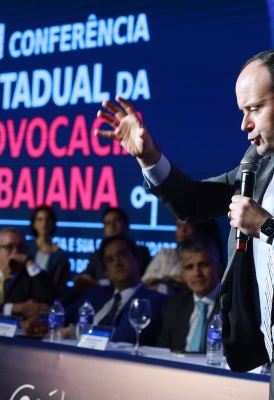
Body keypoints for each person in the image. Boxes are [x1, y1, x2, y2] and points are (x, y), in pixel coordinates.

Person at [94, 49, 274, 392]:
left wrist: (265, 226)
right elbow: (193, 202)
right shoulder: (257, 165)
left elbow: (265, 227)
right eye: (242, 111)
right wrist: (149, 156)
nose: (244, 124)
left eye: (254, 109)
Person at [64, 234, 165, 345]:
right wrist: (43, 324)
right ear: (106, 272)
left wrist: (75, 331)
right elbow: (61, 315)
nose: (117, 262)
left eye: (122, 255)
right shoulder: (96, 293)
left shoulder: (152, 300)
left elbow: (124, 337)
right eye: (110, 260)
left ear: (138, 260)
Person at [62, 206, 151, 306]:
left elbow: (142, 280)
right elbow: (87, 276)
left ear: (126, 225)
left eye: (116, 221)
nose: (112, 226)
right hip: (99, 298)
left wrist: (99, 283)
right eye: (107, 223)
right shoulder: (97, 254)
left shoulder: (140, 251)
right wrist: (82, 279)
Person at [157, 234, 222, 352]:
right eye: (189, 267)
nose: (197, 273)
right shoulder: (173, 305)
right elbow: (162, 350)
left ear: (218, 267)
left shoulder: (235, 307)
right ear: (182, 273)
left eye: (203, 265)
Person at [142, 218, 222, 294]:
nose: (183, 231)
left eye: (189, 226)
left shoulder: (208, 253)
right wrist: (170, 279)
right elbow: (146, 281)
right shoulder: (165, 253)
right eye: (179, 226)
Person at [0, 227, 56, 320]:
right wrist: (14, 308)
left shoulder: (31, 277)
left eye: (20, 247)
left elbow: (48, 302)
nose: (15, 251)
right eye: (9, 247)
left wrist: (30, 262)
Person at [27, 204, 70, 298]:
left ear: (53, 223)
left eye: (48, 219)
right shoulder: (25, 247)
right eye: (40, 219)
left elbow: (58, 288)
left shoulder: (60, 255)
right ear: (33, 223)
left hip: (47, 301)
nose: (44, 224)